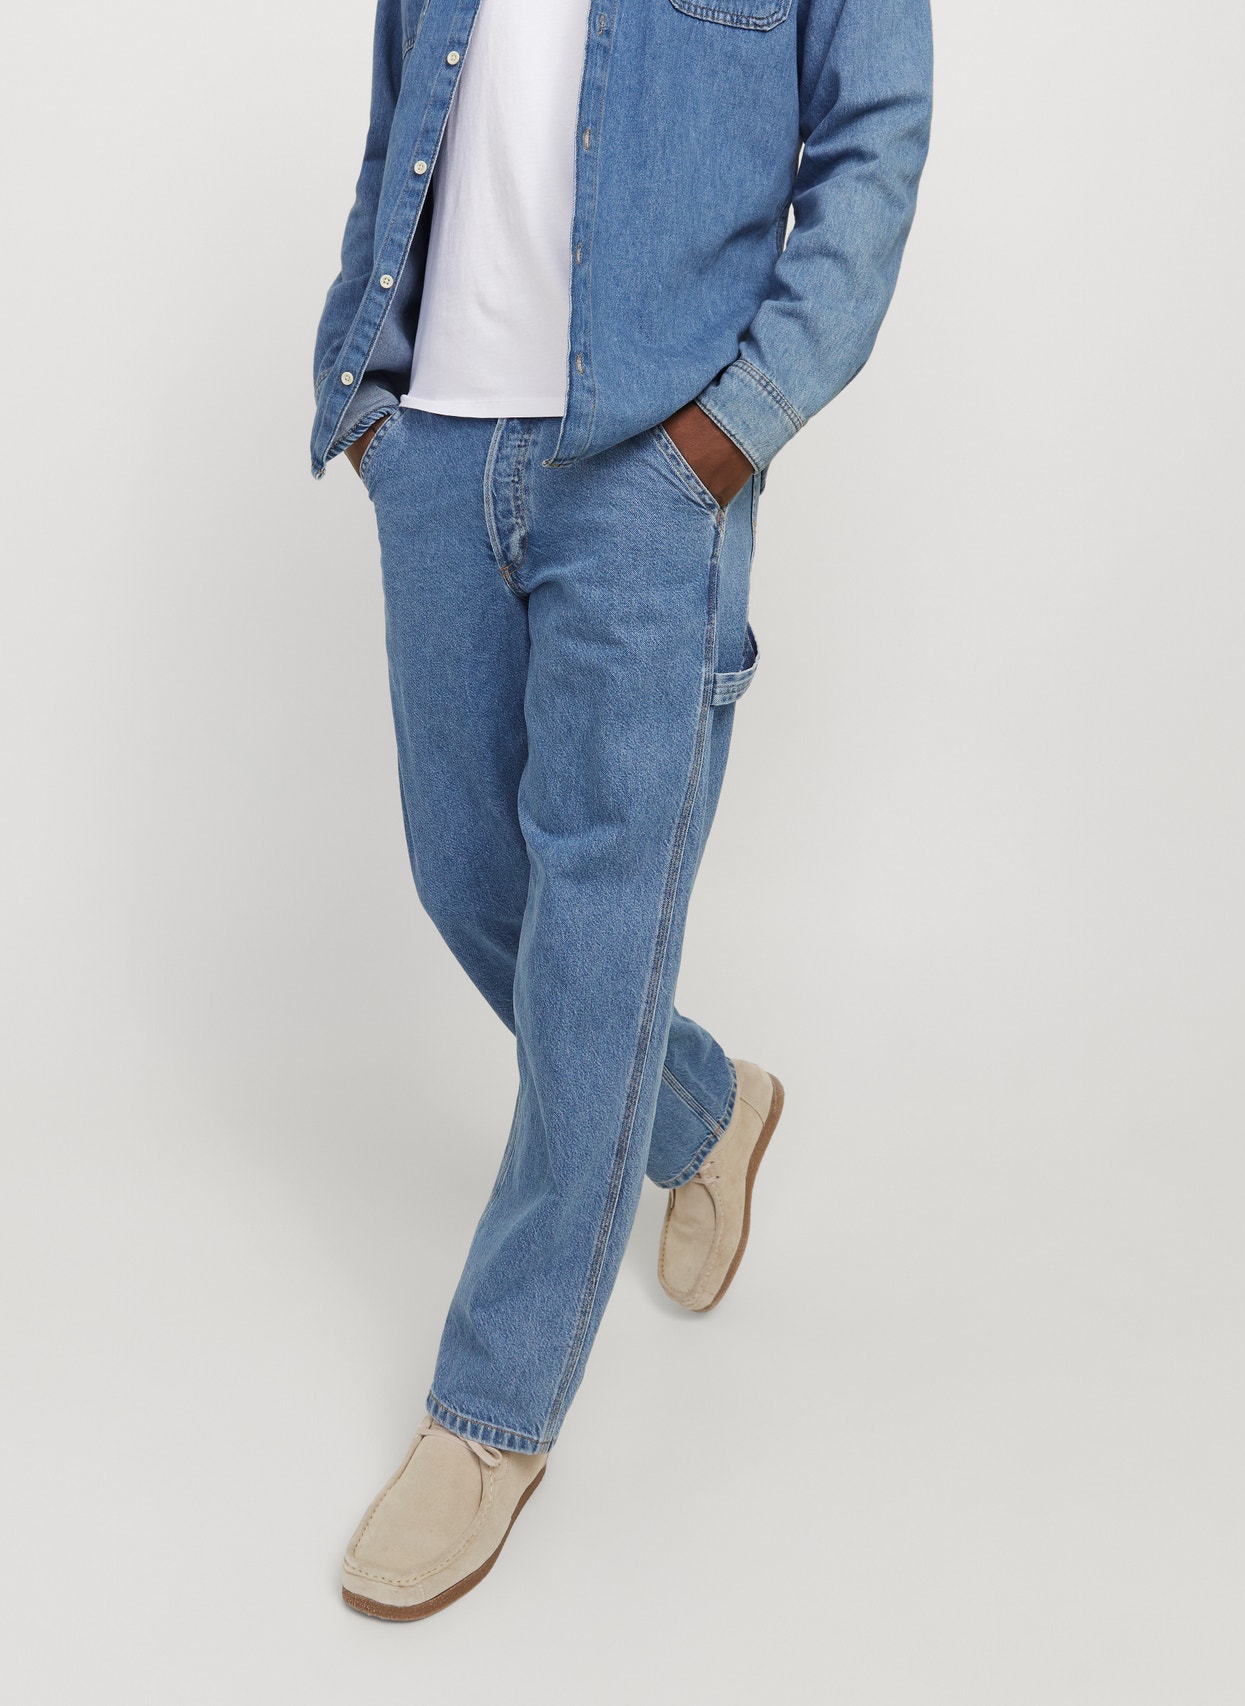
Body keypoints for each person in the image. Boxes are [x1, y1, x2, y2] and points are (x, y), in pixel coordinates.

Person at [312, 0, 931, 1621]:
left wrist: (731, 431)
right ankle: (710, 1113)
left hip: (653, 460)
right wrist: (363, 398)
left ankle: (489, 1411)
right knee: (469, 880)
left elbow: (874, 140)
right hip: (441, 445)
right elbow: (400, 114)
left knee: (593, 938)